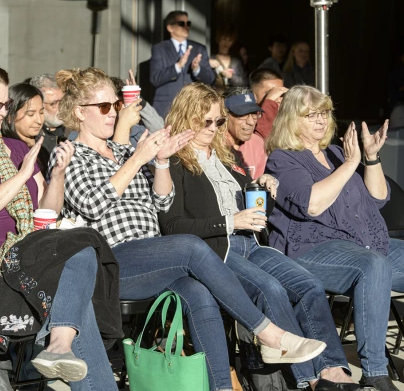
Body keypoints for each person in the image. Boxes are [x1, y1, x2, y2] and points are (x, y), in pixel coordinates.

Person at [50, 66, 327, 391]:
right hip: (112, 262)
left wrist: (163, 162)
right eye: (105, 107)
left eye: (116, 105)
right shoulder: (73, 154)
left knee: (200, 292)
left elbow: (163, 205)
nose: (115, 113)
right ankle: (268, 332)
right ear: (79, 113)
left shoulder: (124, 151)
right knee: (193, 246)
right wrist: (138, 160)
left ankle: (221, 386)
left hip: (153, 255)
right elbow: (93, 204)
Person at [0, 60, 121, 390]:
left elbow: (46, 212)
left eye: (5, 104)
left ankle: (59, 344)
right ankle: (61, 345)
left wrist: (56, 176)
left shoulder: (17, 148)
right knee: (75, 305)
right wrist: (20, 176)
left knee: (84, 243)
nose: (2, 112)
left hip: (26, 258)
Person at [160, 82, 360, 391]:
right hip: (217, 252)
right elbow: (172, 226)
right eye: (206, 121)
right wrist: (229, 221)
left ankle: (332, 367)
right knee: (271, 290)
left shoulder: (225, 157)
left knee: (309, 285)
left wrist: (261, 184)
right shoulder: (174, 163)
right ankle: (310, 379)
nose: (214, 128)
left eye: (219, 121)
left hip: (251, 243)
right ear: (187, 118)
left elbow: (252, 204)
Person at [265, 85, 404, 391]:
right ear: (291, 119)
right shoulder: (284, 159)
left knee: (376, 261)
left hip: (366, 243)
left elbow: (378, 197)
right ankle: (375, 373)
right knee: (374, 266)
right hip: (312, 250)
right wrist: (352, 164)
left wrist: (370, 157)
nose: (320, 120)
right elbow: (311, 204)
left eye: (324, 113)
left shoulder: (337, 152)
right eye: (310, 114)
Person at [150, 10, 215, 118]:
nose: (186, 27)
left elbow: (210, 78)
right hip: (166, 108)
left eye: (188, 23)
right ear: (170, 28)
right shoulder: (159, 49)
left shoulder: (199, 48)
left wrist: (197, 69)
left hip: (194, 107)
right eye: (181, 23)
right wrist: (178, 66)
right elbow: (155, 79)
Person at [1, 82, 49, 172]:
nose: (39, 120)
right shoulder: (6, 150)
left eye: (41, 112)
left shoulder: (43, 149)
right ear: (10, 117)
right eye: (30, 114)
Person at [222, 88, 267, 179]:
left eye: (254, 114)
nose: (251, 122)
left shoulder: (257, 143)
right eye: (242, 114)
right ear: (224, 115)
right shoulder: (213, 144)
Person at [30, 74, 67, 160]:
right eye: (54, 103)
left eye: (63, 101)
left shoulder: (75, 131)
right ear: (38, 104)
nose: (61, 108)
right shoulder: (30, 136)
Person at [248, 68, 288, 141]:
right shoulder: (246, 118)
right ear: (253, 96)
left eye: (281, 94)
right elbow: (259, 143)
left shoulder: (287, 115)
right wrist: (269, 104)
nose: (278, 99)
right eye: (271, 93)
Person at [210, 25, 247, 91]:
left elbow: (244, 82)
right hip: (214, 97)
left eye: (230, 40)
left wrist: (231, 77)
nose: (226, 43)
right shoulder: (211, 58)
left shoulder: (236, 61)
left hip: (232, 97)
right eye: (224, 39)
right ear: (218, 39)